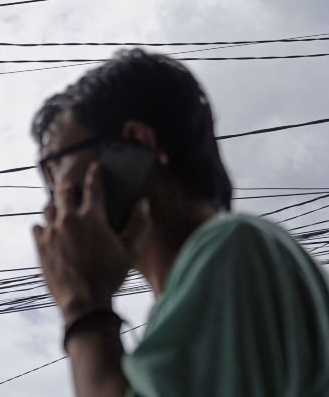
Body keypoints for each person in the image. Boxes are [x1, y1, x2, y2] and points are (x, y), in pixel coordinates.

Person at [30, 48, 329, 397]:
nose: (53, 200)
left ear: (137, 141)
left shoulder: (232, 245)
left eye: (55, 165)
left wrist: (84, 309)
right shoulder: (215, 272)